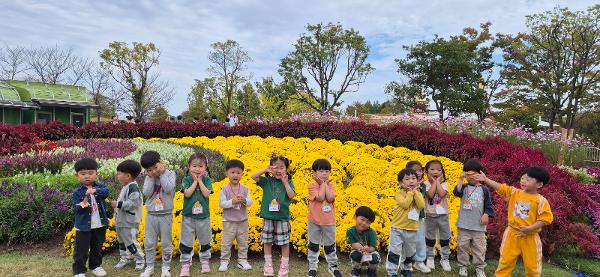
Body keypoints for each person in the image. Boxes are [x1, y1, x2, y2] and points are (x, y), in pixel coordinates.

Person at [475, 167, 553, 277]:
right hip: (512, 234)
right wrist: (486, 179)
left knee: (532, 266)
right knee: (505, 262)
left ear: (539, 184)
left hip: (530, 237)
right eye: (523, 178)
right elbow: (501, 187)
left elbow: (545, 219)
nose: (523, 181)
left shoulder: (541, 201)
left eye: (528, 180)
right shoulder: (514, 193)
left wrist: (530, 229)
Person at [251, 156, 296, 277]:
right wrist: (265, 169)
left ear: (286, 169)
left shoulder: (289, 182)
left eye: (281, 167)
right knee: (267, 241)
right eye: (275, 167)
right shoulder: (267, 181)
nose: (278, 170)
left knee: (284, 242)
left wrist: (285, 182)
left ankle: (284, 267)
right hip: (268, 216)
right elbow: (253, 176)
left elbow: (291, 196)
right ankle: (268, 265)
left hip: (282, 217)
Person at [453, 159, 495, 277]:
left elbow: (489, 205)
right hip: (463, 225)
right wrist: (461, 179)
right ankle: (463, 266)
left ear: (480, 174)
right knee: (462, 247)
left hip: (478, 227)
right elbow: (456, 192)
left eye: (474, 174)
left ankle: (479, 268)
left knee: (479, 248)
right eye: (468, 174)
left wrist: (486, 214)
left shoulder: (484, 189)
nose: (471, 177)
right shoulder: (464, 187)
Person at [140, 151, 176, 277]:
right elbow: (147, 193)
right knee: (149, 243)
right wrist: (150, 177)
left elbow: (168, 188)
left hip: (165, 215)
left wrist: (161, 174)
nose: (153, 171)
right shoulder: (149, 178)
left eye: (155, 167)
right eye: (150, 170)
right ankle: (149, 266)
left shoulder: (170, 174)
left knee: (166, 242)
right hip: (151, 215)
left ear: (161, 163)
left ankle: (166, 267)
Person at [71, 158, 109, 277]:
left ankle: (96, 266)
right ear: (77, 175)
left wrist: (95, 190)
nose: (87, 176)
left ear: (96, 174)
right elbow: (75, 206)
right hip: (83, 226)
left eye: (90, 173)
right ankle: (79, 271)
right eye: (83, 174)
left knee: (97, 247)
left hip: (99, 224)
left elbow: (106, 192)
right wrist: (81, 204)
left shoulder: (100, 187)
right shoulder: (77, 192)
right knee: (81, 250)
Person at [386, 168, 426, 277]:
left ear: (417, 181)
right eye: (407, 179)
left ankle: (406, 269)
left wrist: (415, 193)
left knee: (410, 252)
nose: (411, 181)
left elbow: (421, 205)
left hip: (412, 228)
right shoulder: (399, 193)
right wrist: (410, 193)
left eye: (414, 178)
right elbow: (405, 204)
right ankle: (392, 271)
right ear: (400, 182)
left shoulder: (418, 193)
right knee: (395, 251)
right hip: (398, 228)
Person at [179, 153, 213, 276]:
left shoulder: (208, 180)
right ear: (189, 167)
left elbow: (206, 194)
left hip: (203, 216)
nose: (197, 169)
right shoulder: (186, 180)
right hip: (188, 216)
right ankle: (186, 264)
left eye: (201, 166)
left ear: (205, 168)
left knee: (205, 239)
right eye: (194, 166)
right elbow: (187, 194)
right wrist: (195, 181)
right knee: (186, 240)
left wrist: (200, 181)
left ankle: (204, 261)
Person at [306, 159, 341, 277]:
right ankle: (312, 266)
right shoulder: (312, 185)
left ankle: (333, 266)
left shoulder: (332, 185)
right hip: (314, 220)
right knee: (313, 244)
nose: (324, 174)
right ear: (314, 173)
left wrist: (325, 184)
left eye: (327, 171)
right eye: (321, 171)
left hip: (329, 221)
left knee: (330, 245)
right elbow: (320, 198)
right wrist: (323, 184)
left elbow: (330, 198)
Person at [219, 159, 253, 272]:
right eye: (232, 172)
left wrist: (244, 200)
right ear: (227, 173)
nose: (235, 175)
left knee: (243, 242)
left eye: (238, 172)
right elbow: (221, 204)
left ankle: (242, 260)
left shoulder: (245, 188)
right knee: (226, 243)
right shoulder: (224, 188)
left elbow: (250, 202)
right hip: (228, 221)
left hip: (242, 220)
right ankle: (224, 261)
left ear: (242, 174)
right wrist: (232, 202)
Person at [112, 160, 145, 271]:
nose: (118, 175)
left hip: (129, 222)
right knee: (121, 241)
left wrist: (118, 204)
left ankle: (140, 259)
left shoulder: (133, 188)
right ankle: (124, 258)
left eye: (119, 173)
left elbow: (132, 204)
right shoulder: (126, 186)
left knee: (131, 241)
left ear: (128, 176)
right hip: (121, 221)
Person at [424, 160, 451, 272]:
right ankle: (430, 257)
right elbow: (430, 194)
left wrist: (437, 181)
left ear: (442, 172)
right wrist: (435, 182)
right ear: (426, 172)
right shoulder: (424, 184)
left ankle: (445, 258)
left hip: (442, 215)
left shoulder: (444, 184)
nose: (436, 171)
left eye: (439, 170)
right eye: (432, 169)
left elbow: (441, 193)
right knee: (429, 238)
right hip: (429, 215)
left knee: (445, 238)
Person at [404, 161, 430, 274]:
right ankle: (407, 262)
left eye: (420, 170)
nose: (418, 172)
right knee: (407, 240)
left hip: (419, 217)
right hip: (406, 218)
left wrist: (417, 187)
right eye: (415, 170)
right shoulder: (403, 186)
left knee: (420, 240)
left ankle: (419, 261)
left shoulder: (423, 186)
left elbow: (421, 199)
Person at [347, 206, 380, 277]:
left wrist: (368, 249)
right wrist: (357, 246)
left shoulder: (372, 232)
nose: (364, 223)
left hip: (370, 252)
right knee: (355, 254)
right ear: (355, 217)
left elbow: (373, 248)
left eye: (368, 222)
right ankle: (356, 269)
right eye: (362, 219)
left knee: (375, 257)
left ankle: (372, 270)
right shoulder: (350, 231)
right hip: (358, 251)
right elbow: (353, 245)